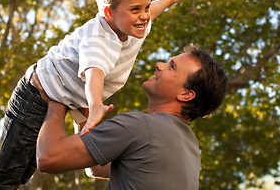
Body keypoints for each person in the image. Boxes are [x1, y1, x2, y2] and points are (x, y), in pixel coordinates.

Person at [0, 0, 187, 190]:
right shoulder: (98, 40)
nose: (145, 15)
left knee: (24, 173)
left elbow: (154, 10)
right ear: (110, 13)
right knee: (8, 175)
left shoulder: (134, 24)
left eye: (146, 7)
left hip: (62, 98)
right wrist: (95, 105)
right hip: (35, 95)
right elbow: (94, 74)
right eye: (136, 9)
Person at [36, 45, 228, 190]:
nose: (159, 65)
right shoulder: (190, 148)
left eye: (171, 67)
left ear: (186, 95)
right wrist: (83, 115)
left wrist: (57, 98)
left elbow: (48, 158)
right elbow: (96, 167)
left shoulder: (141, 127)